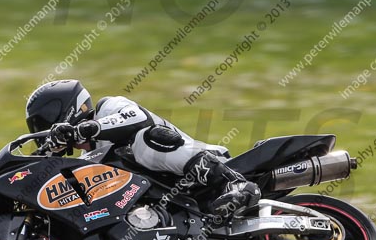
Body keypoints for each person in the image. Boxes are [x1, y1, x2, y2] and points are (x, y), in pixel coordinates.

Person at [25, 79, 259, 221]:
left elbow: (136, 118)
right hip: (180, 200)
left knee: (144, 140)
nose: (46, 131)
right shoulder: (89, 160)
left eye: (44, 123)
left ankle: (235, 184)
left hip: (206, 167)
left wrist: (84, 129)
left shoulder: (109, 107)